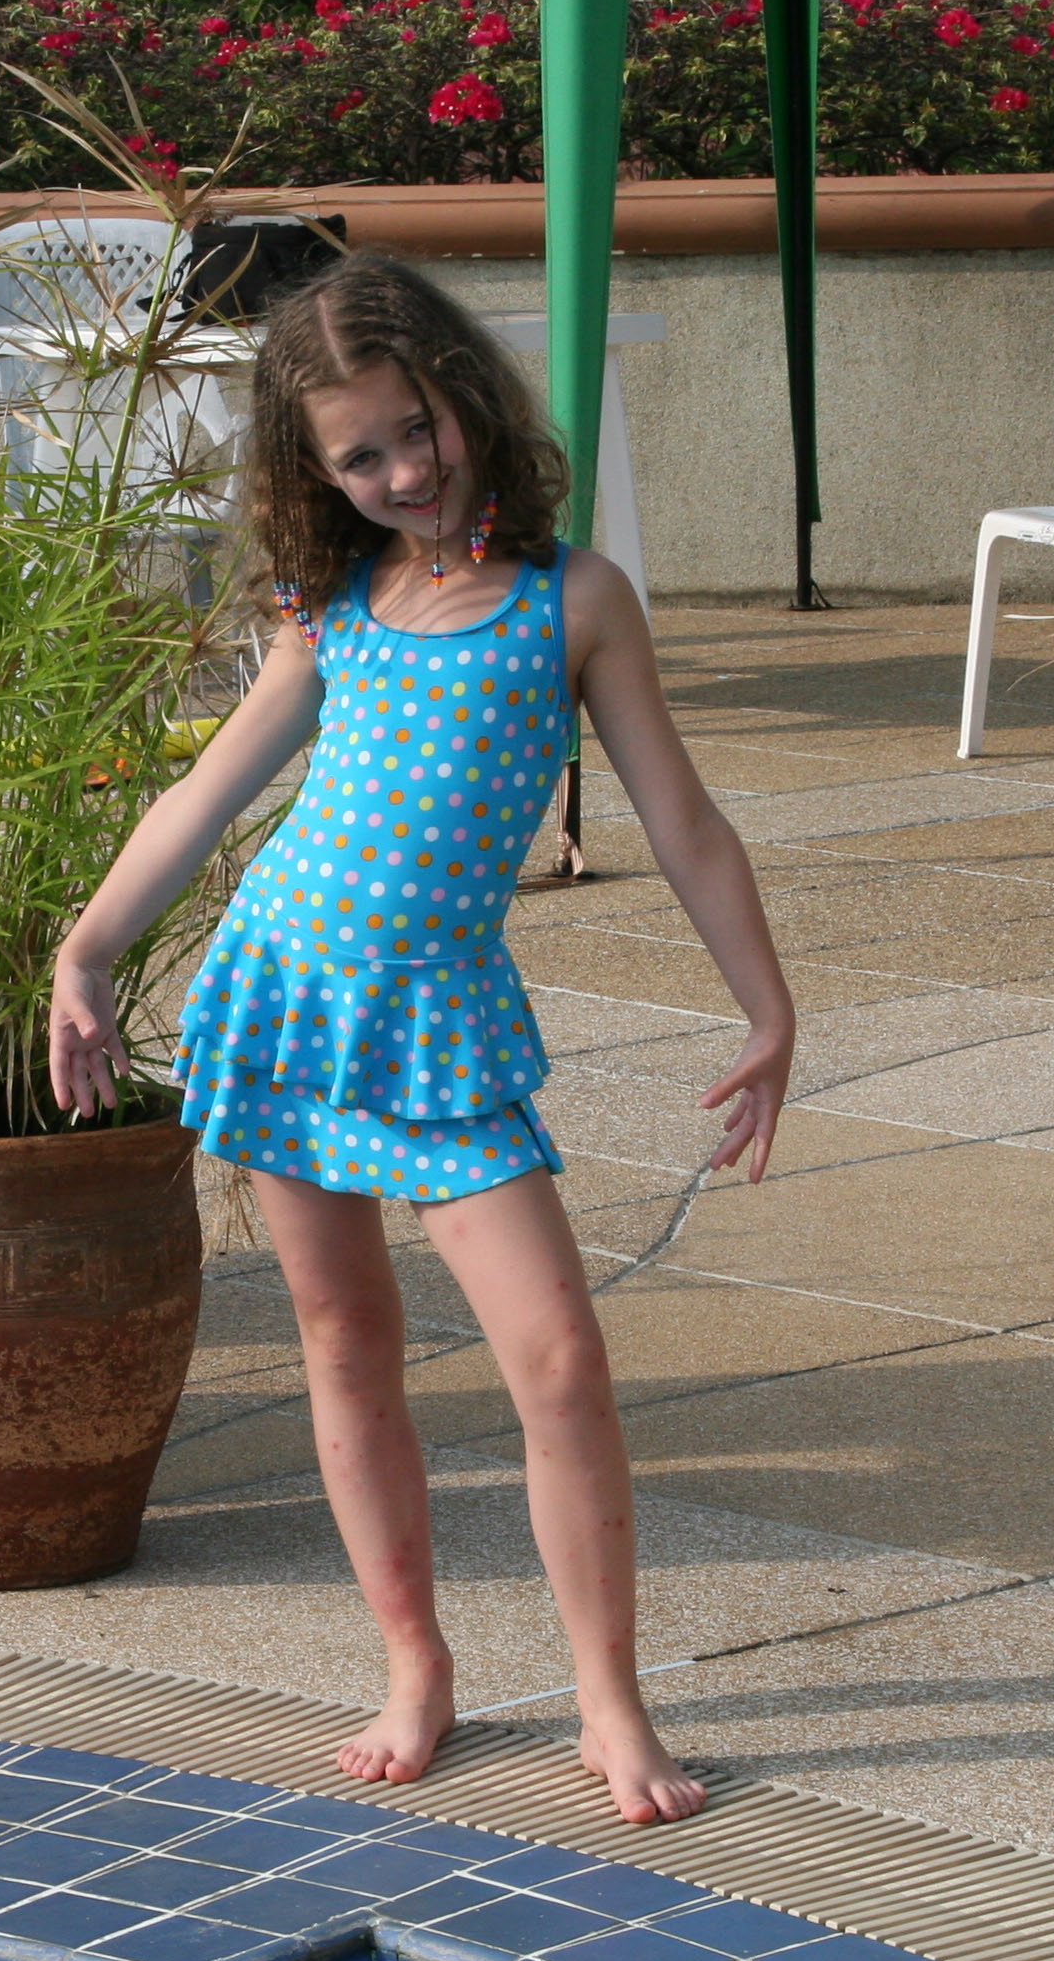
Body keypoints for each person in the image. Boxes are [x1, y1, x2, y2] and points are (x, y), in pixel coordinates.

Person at [46, 252, 795, 1826]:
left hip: (440, 1027)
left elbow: (685, 822)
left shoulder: (573, 602)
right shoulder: (330, 614)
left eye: (416, 428)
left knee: (560, 1359)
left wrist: (766, 1003)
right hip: (288, 1000)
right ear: (313, 474)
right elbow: (205, 797)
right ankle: (414, 1665)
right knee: (344, 1339)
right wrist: (88, 949)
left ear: (466, 394)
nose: (401, 470)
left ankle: (608, 1695)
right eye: (359, 456)